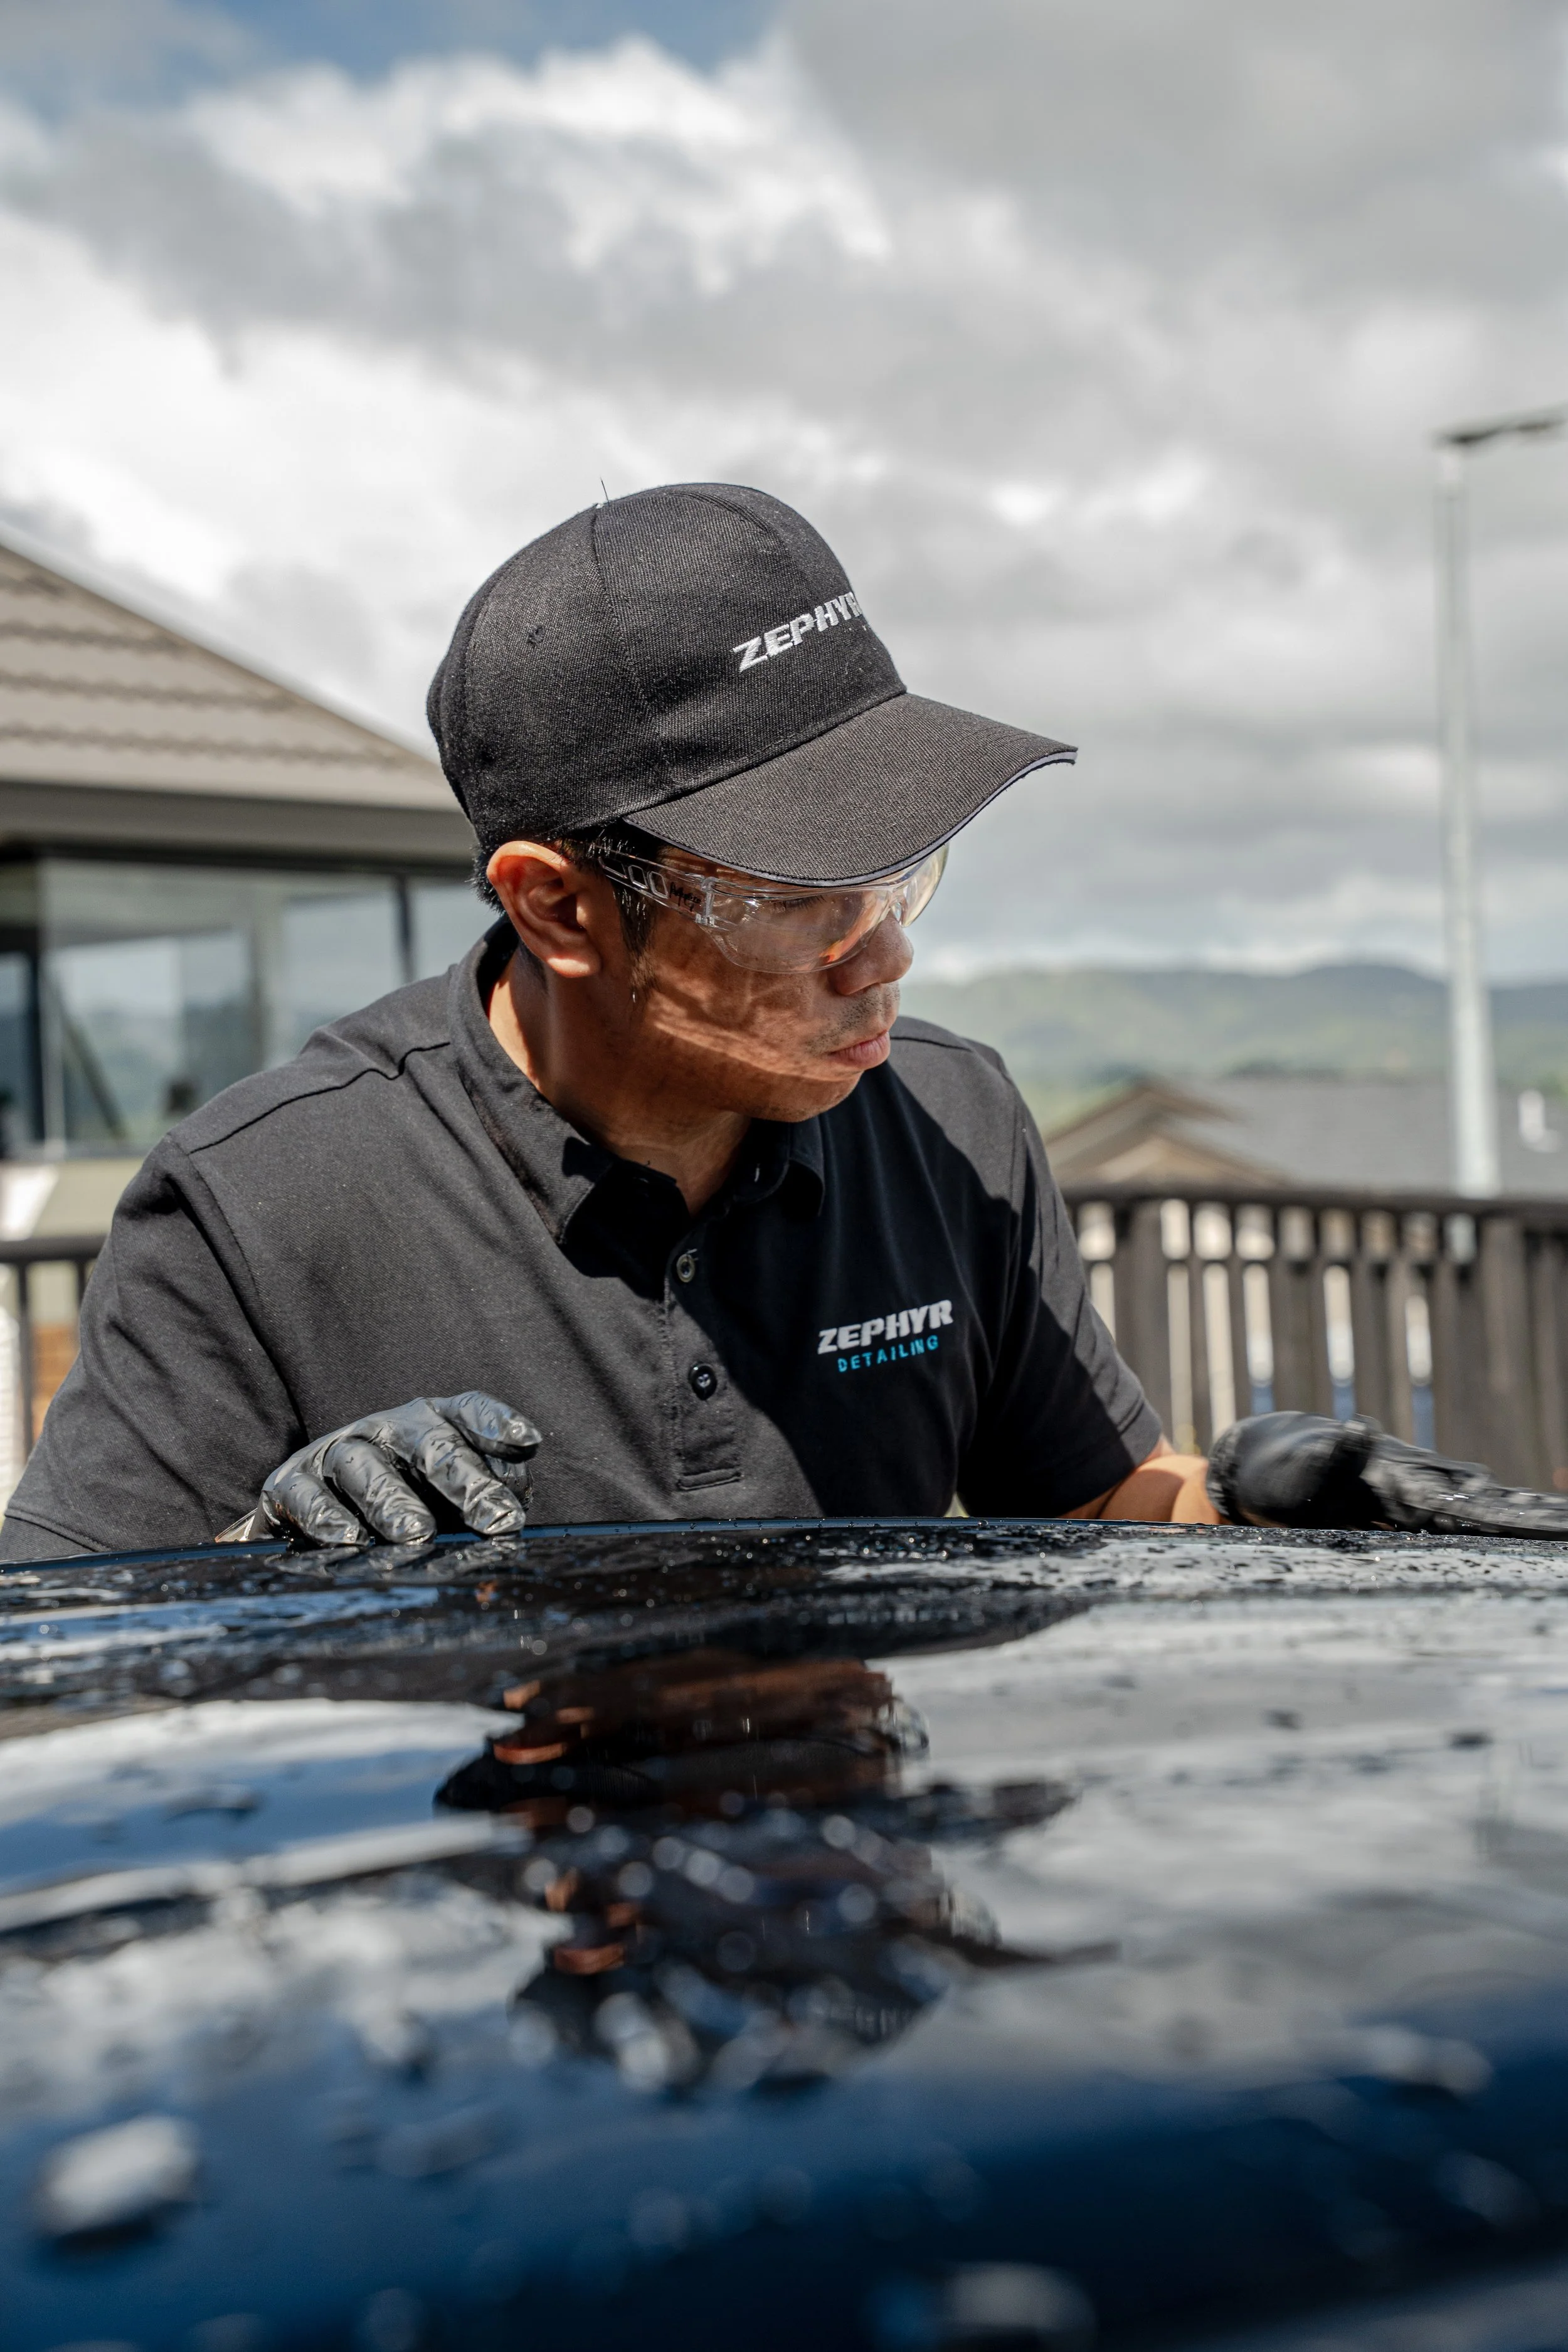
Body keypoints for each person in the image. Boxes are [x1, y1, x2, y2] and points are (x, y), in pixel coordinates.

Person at [3, 484, 1562, 1561]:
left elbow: (1085, 1506)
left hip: (872, 1937)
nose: (879, 958)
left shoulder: (953, 1128)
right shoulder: (261, 1204)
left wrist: (1248, 1497)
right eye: (801, 894)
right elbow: (58, 1690)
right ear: (554, 905)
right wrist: (256, 1565)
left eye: (897, 874)